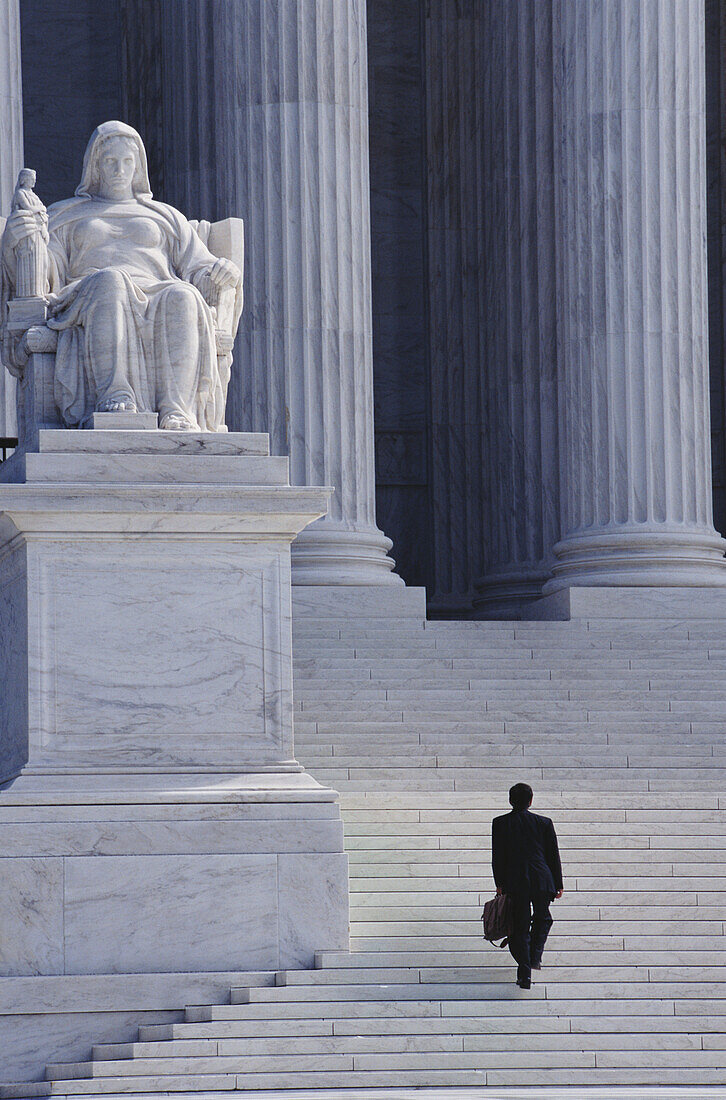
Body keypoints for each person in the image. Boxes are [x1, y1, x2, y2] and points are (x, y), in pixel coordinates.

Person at [1, 120, 242, 431]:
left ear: (138, 166)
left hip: (159, 291)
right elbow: (47, 268)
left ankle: (176, 409)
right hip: (89, 293)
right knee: (111, 280)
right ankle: (115, 393)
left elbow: (199, 266)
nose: (119, 170)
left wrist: (223, 271)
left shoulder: (166, 217)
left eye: (127, 161)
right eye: (110, 161)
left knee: (185, 295)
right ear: (95, 166)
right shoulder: (65, 215)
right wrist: (18, 240)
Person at [491, 782, 563, 989]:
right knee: (543, 918)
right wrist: (558, 883)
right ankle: (534, 958)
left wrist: (500, 884)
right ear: (531, 801)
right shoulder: (544, 823)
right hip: (542, 879)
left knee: (520, 926)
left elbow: (498, 856)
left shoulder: (500, 823)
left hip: (516, 882)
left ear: (510, 800)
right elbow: (552, 855)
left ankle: (525, 971)